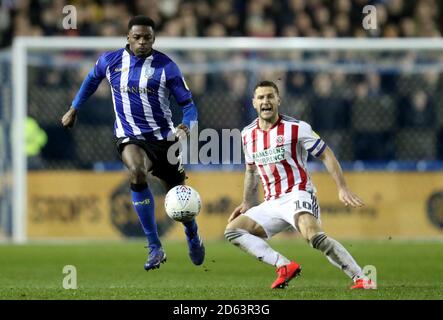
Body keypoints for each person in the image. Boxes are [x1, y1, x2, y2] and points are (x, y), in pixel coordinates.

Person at [61, 16, 205, 271]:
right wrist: (74, 108)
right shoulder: (110, 61)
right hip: (130, 136)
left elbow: (189, 106)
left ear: (153, 39)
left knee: (178, 197)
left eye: (147, 38)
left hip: (165, 141)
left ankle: (192, 233)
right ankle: (153, 246)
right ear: (127, 37)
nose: (141, 42)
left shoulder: (167, 67)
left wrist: (187, 126)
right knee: (137, 172)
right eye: (136, 37)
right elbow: (91, 80)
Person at [225, 81, 373, 289]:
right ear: (254, 103)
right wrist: (247, 202)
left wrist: (343, 187)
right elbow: (251, 170)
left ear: (278, 100)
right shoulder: (247, 134)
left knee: (313, 237)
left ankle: (362, 278)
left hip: (298, 194)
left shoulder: (297, 128)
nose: (265, 101)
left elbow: (326, 154)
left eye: (270, 96)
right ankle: (283, 265)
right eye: (261, 97)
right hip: (271, 202)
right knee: (233, 231)